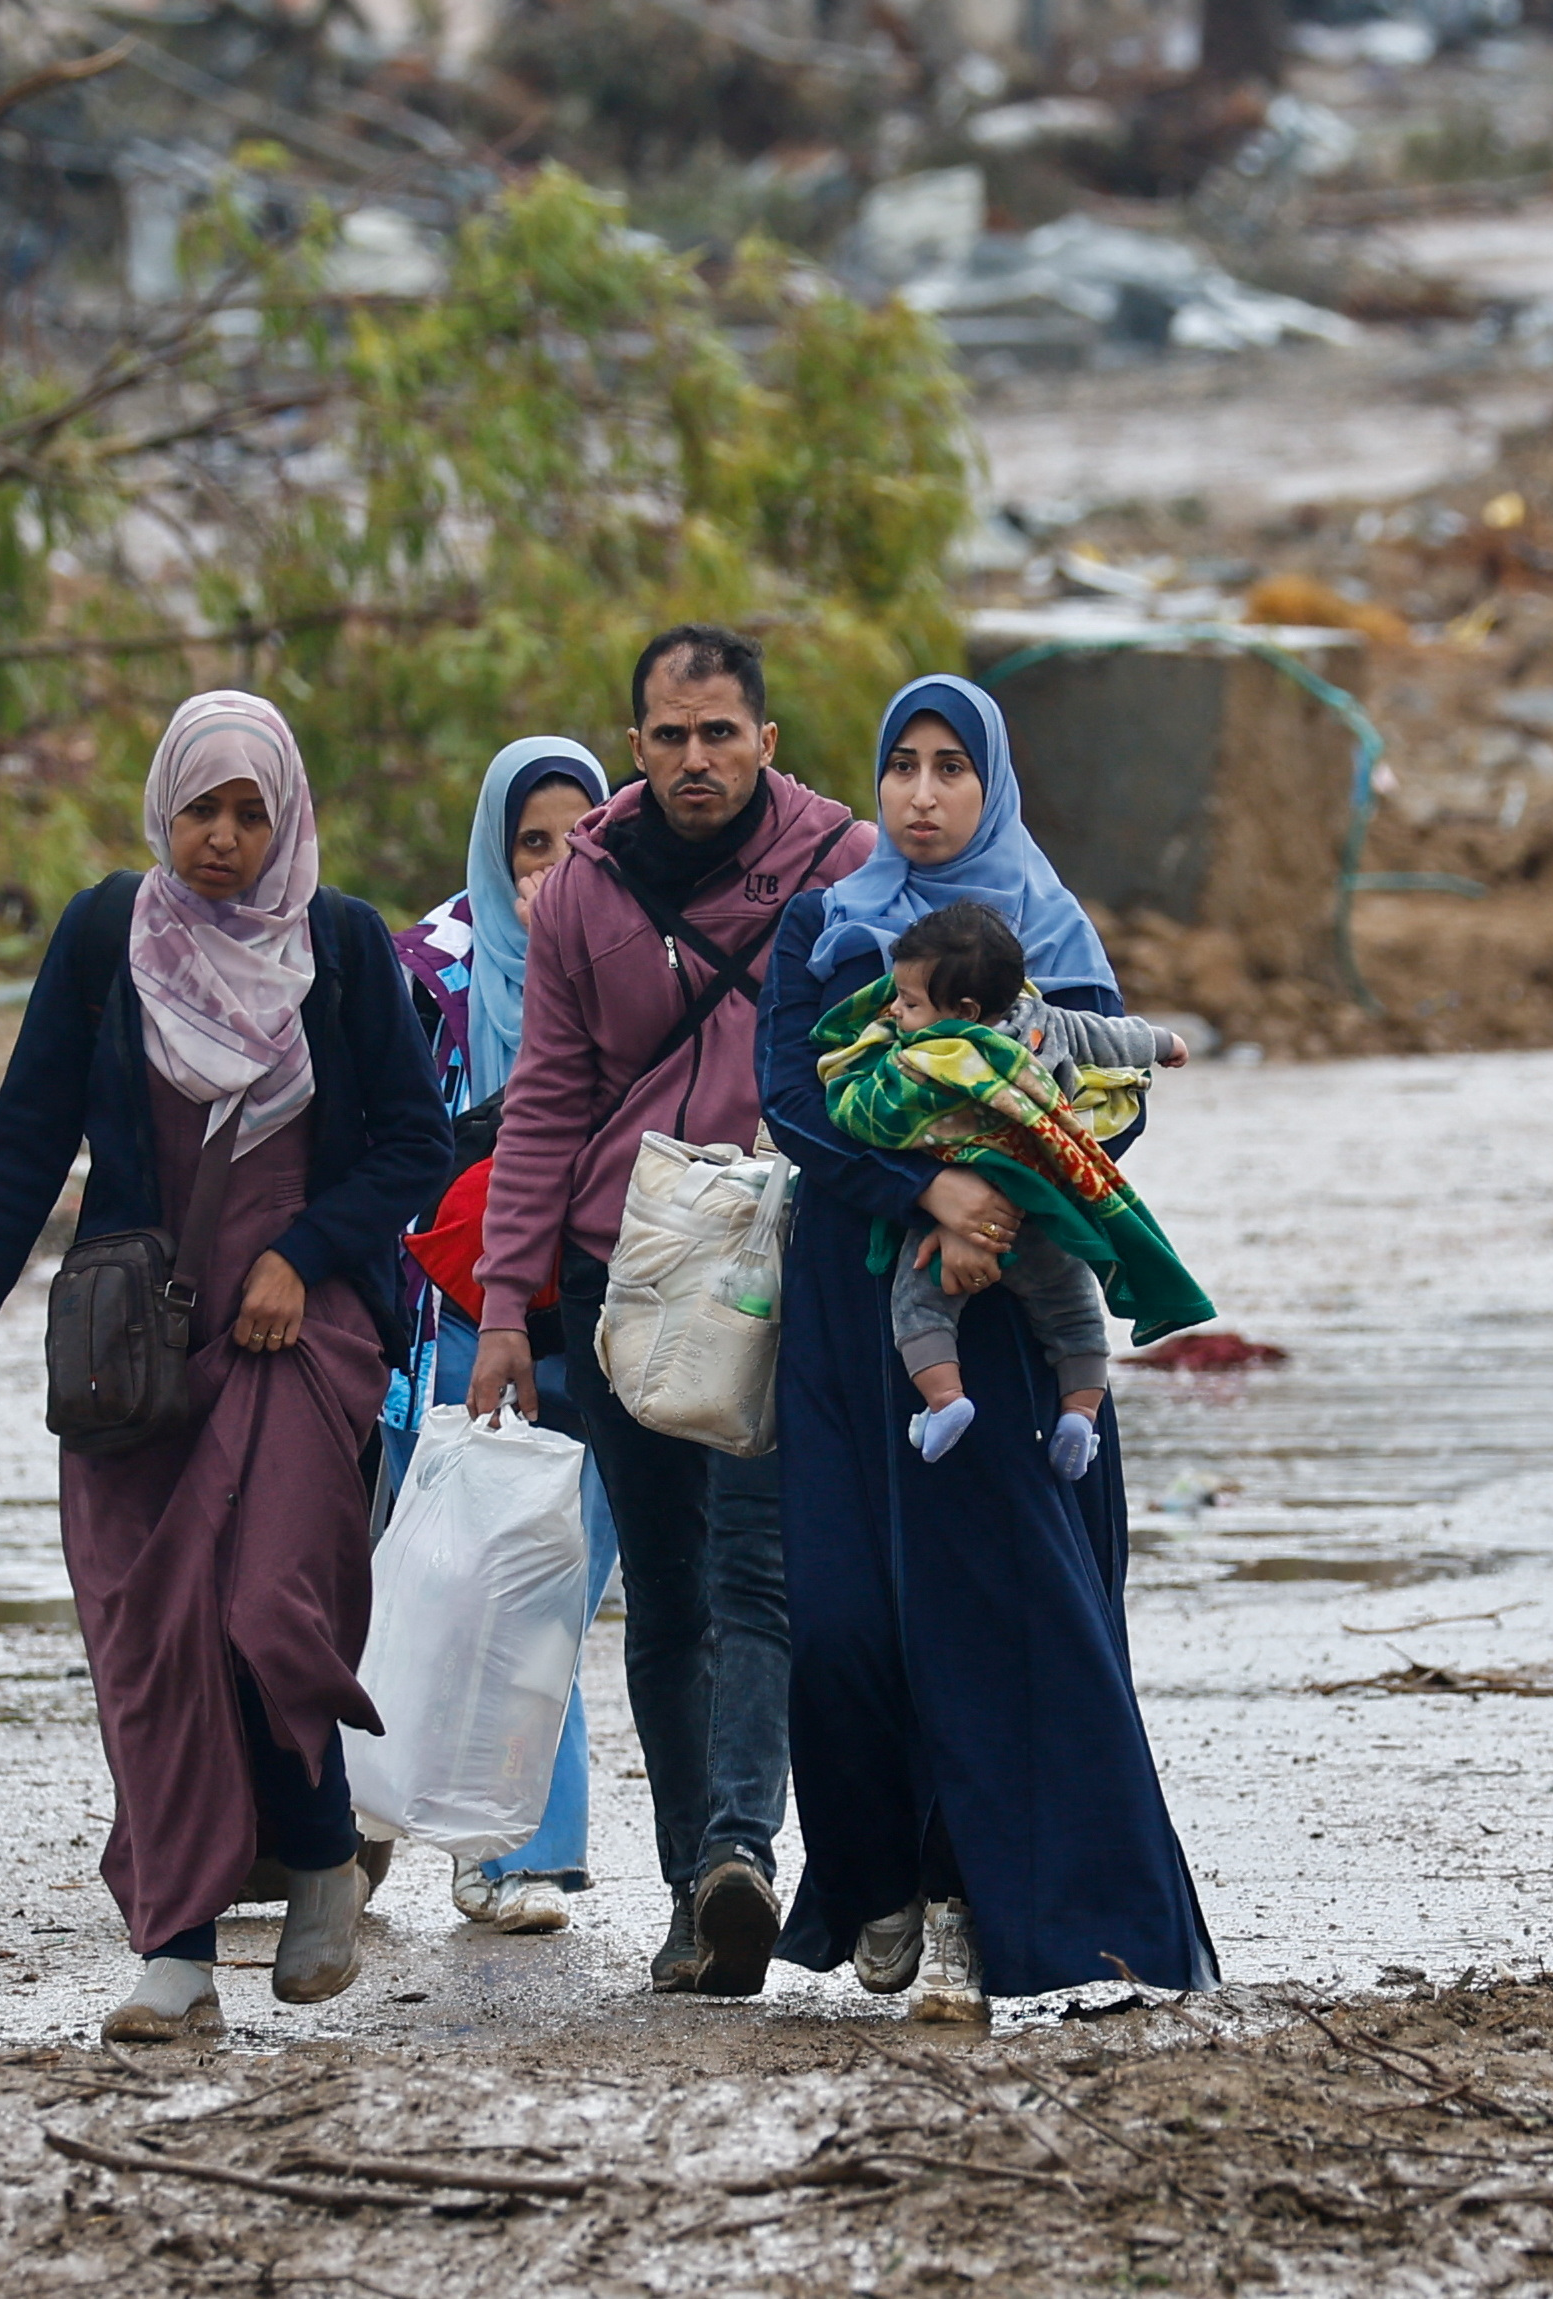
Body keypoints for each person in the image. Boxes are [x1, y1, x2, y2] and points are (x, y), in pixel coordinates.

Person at [0, 693, 450, 2042]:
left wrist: (305, 1254)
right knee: (149, 1636)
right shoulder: (109, 936)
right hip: (135, 1346)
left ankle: (319, 1845)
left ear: (288, 817)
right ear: (164, 807)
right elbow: (26, 1137)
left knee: (264, 1600)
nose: (222, 837)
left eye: (249, 812)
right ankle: (178, 1949)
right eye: (200, 808)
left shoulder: (338, 944)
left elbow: (412, 1142)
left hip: (301, 1328)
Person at [758, 674, 1218, 2033]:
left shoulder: (1046, 928)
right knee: (841, 1619)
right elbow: (792, 1101)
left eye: (952, 766)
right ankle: (875, 1877)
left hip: (1007, 1315)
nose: (922, 792)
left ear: (992, 782)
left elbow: (1109, 1100)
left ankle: (1065, 1928)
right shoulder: (822, 924)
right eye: (901, 763)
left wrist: (997, 1194)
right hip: (855, 1313)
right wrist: (925, 1193)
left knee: (1011, 1620)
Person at [465, 625, 874, 1997]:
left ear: (765, 739)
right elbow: (545, 1101)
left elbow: (888, 1061)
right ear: (635, 746)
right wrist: (506, 1305)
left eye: (720, 733)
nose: (697, 757)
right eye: (672, 735)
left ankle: (739, 1848)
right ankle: (695, 1885)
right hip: (620, 1270)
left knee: (756, 1569)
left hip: (778, 1259)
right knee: (663, 1587)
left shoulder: (842, 864)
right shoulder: (584, 890)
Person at [378, 735, 620, 1936]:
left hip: (614, 1318)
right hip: (465, 1317)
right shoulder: (427, 975)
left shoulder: (646, 961)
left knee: (550, 1590)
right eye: (531, 844)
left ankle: (519, 1846)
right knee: (467, 1580)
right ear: (493, 848)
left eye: (581, 841)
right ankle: (441, 1829)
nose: (553, 869)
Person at [819, 897, 1200, 1470]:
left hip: (950, 1215)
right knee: (1073, 1313)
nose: (894, 1009)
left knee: (919, 1307)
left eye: (910, 1002)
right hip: (1046, 1210)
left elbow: (868, 1116)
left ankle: (945, 1402)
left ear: (964, 1010)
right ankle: (1080, 1416)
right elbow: (1110, 1037)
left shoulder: (927, 1061)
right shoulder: (1046, 1023)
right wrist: (1165, 1042)